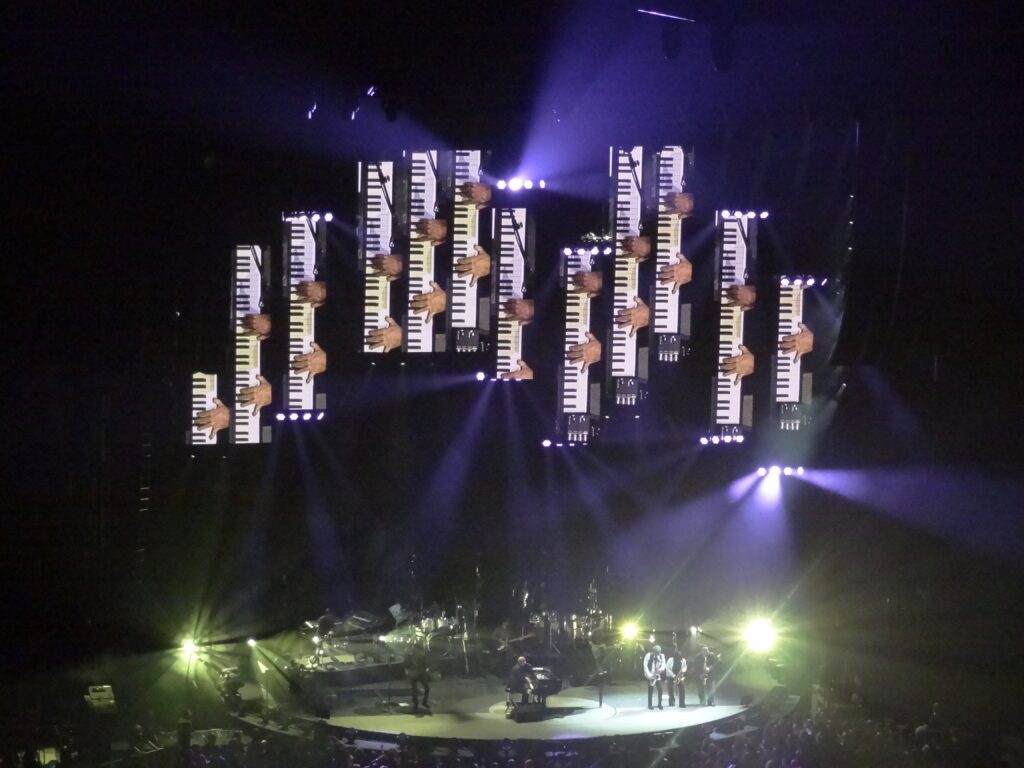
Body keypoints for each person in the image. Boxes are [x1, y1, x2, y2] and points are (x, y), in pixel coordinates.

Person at [404, 642, 431, 712]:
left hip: (420, 673)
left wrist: (423, 670)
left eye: (416, 649)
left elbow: (426, 665)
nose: (414, 650)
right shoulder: (410, 656)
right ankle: (416, 704)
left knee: (426, 688)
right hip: (414, 674)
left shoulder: (421, 656)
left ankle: (423, 703)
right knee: (414, 690)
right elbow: (406, 665)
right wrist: (409, 672)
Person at [643, 644, 666, 709]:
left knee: (660, 690)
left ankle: (660, 704)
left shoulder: (662, 656)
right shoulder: (648, 655)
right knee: (650, 690)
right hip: (650, 674)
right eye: (656, 653)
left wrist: (659, 670)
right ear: (653, 652)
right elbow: (645, 666)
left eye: (659, 653)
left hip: (657, 675)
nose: (658, 655)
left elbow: (663, 665)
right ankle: (650, 705)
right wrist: (650, 676)